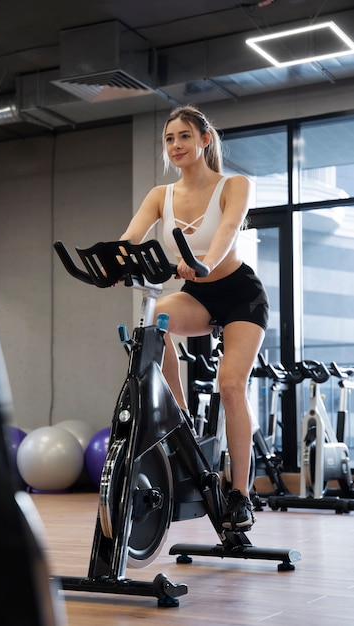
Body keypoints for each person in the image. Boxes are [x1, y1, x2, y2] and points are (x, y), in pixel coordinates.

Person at [119, 104, 269, 532]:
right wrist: (114, 264)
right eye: (169, 139)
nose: (176, 145)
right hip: (197, 294)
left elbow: (227, 231)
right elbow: (128, 240)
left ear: (204, 140)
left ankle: (240, 493)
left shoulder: (234, 184)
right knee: (154, 321)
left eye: (184, 136)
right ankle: (180, 417)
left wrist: (203, 261)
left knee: (230, 384)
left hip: (240, 295)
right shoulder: (159, 195)